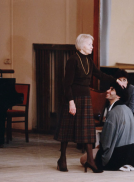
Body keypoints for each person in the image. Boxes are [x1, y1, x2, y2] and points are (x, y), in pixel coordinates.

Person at [54, 34, 126, 173]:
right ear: (82, 45)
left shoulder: (88, 60)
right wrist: (71, 102)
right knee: (67, 130)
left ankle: (90, 161)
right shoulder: (72, 60)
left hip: (85, 98)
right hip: (73, 99)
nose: (92, 47)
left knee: (87, 130)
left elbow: (100, 74)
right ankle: (62, 159)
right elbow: (66, 84)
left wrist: (115, 81)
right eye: (90, 45)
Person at [80, 82, 134, 171]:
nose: (108, 91)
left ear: (118, 96)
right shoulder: (128, 109)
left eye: (112, 89)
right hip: (130, 158)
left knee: (83, 159)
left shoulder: (113, 112)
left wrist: (100, 150)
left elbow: (107, 140)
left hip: (115, 157)